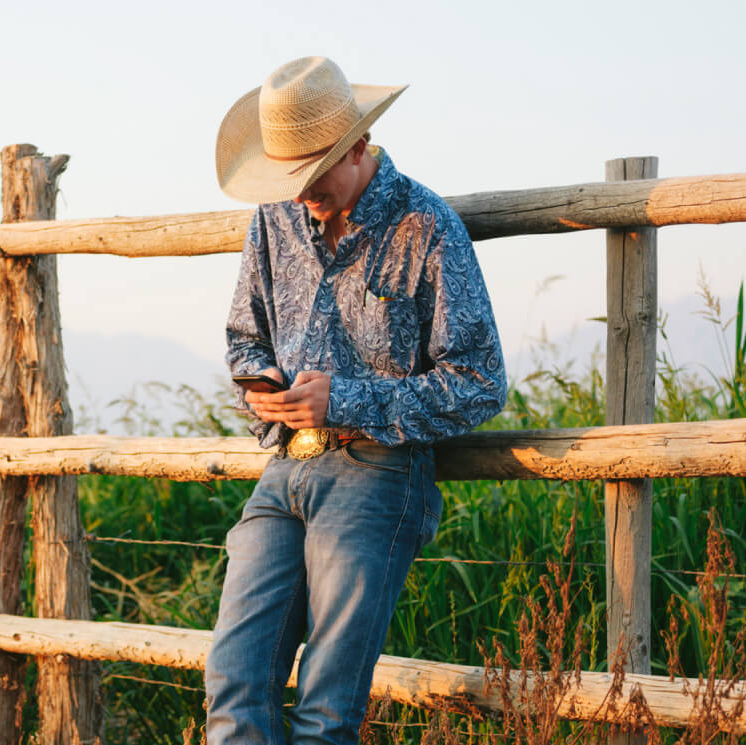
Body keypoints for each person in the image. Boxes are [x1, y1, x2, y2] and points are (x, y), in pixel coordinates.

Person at [206, 56, 508, 744]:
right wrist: (262, 387)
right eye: (290, 177)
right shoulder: (274, 219)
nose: (300, 191)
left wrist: (345, 399)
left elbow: (481, 381)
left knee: (326, 710)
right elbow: (243, 339)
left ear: (360, 147)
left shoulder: (427, 226)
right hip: (282, 470)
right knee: (232, 681)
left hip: (379, 472)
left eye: (313, 174)